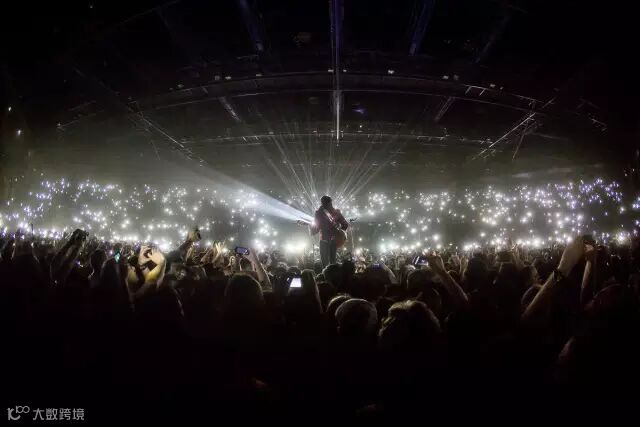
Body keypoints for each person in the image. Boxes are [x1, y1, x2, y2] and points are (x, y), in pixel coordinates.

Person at [309, 195, 349, 268]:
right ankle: (333, 274)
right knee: (332, 262)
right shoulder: (337, 212)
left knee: (325, 263)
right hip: (334, 239)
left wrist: (310, 228)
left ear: (322, 203)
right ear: (330, 202)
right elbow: (345, 224)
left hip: (324, 239)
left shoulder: (319, 213)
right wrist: (341, 233)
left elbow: (316, 228)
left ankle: (326, 274)